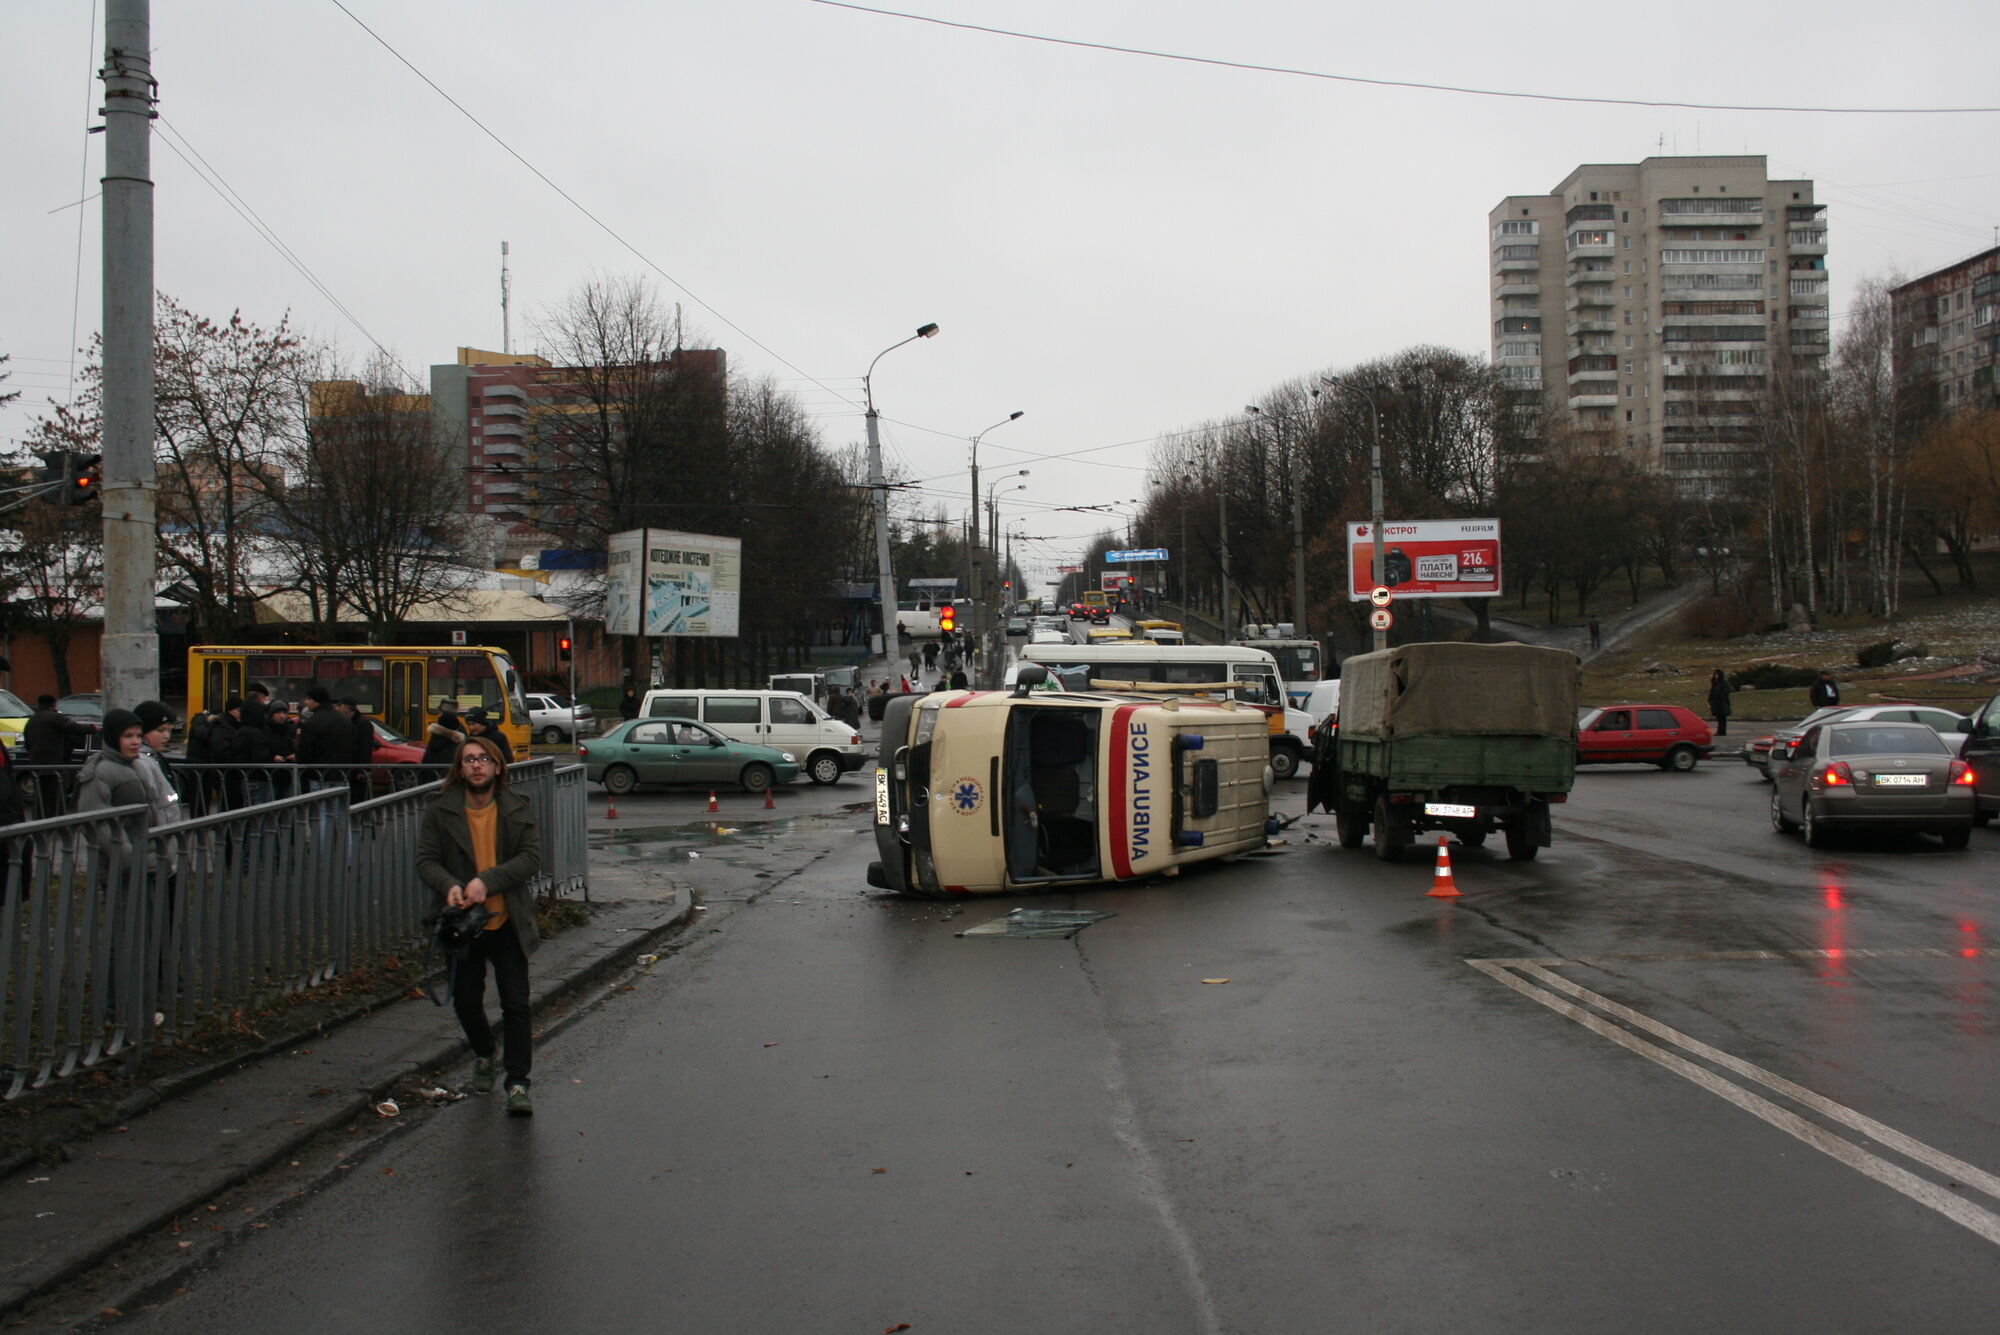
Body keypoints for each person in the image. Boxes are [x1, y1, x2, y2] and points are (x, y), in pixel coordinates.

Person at [416, 735, 543, 1116]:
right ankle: (486, 1052)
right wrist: (450, 885)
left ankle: (518, 1082)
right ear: (459, 768)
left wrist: (488, 880)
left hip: (507, 921)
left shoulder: (517, 807)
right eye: (469, 760)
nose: (477, 765)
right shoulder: (440, 810)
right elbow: (426, 860)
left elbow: (531, 857)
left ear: (498, 767)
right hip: (463, 926)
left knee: (516, 1005)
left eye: (484, 759)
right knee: (468, 1002)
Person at [295, 687, 351, 792]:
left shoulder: (312, 722)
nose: (306, 702)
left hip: (319, 774)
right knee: (339, 807)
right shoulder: (345, 720)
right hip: (342, 774)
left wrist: (303, 768)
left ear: (317, 700)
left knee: (321, 806)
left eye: (308, 699)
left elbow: (306, 750)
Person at [231, 697, 278, 806]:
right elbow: (261, 757)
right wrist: (273, 760)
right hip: (259, 779)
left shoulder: (239, 732)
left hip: (244, 778)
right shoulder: (258, 734)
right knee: (262, 814)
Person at [341, 698, 376, 802]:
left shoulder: (363, 724)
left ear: (347, 708)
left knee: (358, 796)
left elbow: (365, 747)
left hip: (357, 768)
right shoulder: (347, 721)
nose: (339, 708)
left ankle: (359, 817)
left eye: (341, 706)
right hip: (350, 766)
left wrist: (363, 769)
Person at [1707, 668, 1733, 738]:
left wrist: (1721, 698)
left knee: (1722, 719)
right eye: (1715, 674)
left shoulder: (1723, 683)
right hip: (1716, 704)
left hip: (1722, 704)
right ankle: (1719, 731)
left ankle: (1722, 731)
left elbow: (1725, 692)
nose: (1716, 676)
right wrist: (1710, 700)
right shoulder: (1715, 683)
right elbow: (1712, 692)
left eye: (1717, 675)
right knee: (1719, 718)